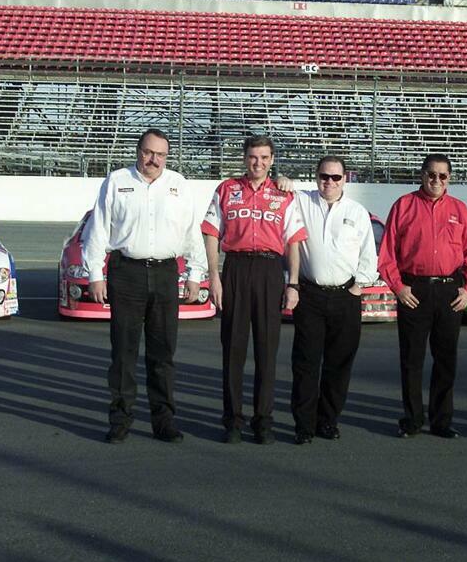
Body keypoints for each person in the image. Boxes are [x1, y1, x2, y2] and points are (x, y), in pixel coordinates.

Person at [83, 128, 207, 444]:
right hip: (126, 272)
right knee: (123, 352)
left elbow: (192, 232)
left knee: (163, 354)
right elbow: (98, 229)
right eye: (149, 152)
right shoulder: (116, 181)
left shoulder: (178, 185)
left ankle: (163, 422)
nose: (154, 160)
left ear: (167, 156)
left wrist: (195, 273)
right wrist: (95, 273)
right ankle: (120, 420)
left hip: (166, 273)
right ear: (138, 151)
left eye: (161, 154)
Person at [202, 135, 306, 445]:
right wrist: (214, 276)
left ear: (272, 160)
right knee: (233, 350)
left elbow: (294, 242)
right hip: (235, 267)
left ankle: (263, 421)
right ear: (244, 158)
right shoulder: (226, 189)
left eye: (263, 157)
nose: (257, 163)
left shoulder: (285, 194)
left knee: (266, 351)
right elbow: (210, 233)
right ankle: (232, 421)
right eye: (252, 157)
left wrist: (293, 283)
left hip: (270, 271)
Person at [378, 153, 467, 439]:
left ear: (450, 178)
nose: (436, 180)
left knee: (446, 359)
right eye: (431, 174)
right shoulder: (404, 206)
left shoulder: (459, 210)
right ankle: (411, 419)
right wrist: (398, 287)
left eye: (443, 176)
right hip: (415, 291)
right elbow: (387, 254)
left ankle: (441, 421)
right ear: (422, 175)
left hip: (450, 291)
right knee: (412, 359)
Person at [289, 156, 379, 445]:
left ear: (345, 179)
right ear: (316, 177)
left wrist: (359, 285)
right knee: (306, 363)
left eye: (336, 177)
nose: (329, 182)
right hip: (310, 294)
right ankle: (303, 425)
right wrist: (283, 182)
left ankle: (327, 421)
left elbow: (369, 254)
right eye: (324, 176)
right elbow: (282, 191)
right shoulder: (300, 201)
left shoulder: (357, 212)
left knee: (339, 364)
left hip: (345, 296)